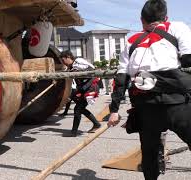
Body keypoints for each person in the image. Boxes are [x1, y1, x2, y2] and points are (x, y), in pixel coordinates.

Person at [107, 0, 191, 179]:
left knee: (149, 155)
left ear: (141, 20)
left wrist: (114, 110)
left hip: (146, 106)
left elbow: (121, 79)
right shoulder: (176, 27)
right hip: (177, 102)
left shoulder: (131, 41)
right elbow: (188, 60)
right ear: (165, 17)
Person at [60, 50, 101, 136]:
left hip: (90, 88)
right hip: (83, 89)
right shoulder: (71, 67)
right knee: (80, 108)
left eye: (63, 60)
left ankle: (74, 132)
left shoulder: (78, 61)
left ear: (68, 57)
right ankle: (96, 124)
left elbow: (91, 68)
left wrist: (73, 71)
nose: (63, 63)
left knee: (78, 109)